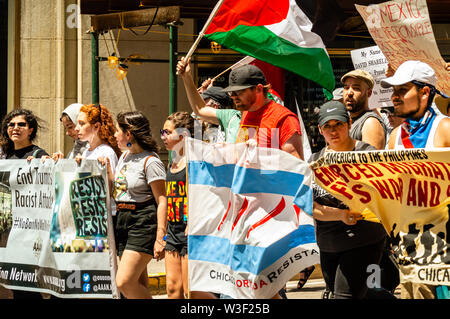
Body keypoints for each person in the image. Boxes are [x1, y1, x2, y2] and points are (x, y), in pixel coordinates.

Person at [382, 60, 450, 299]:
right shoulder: (395, 137)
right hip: (409, 243)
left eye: (402, 90)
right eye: (393, 91)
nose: (394, 97)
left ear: (424, 92)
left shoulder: (444, 129)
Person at [310, 100, 389, 299]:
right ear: (320, 130)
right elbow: (309, 206)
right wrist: (341, 214)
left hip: (364, 242)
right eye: (327, 126)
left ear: (349, 124)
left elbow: (383, 195)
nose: (333, 131)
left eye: (338, 124)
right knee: (368, 296)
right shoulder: (314, 162)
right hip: (328, 246)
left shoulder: (367, 155)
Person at [105, 111, 167, 299]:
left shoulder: (151, 161)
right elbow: (120, 188)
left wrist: (160, 236)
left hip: (143, 221)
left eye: (118, 130)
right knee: (139, 284)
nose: (115, 134)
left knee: (124, 281)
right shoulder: (124, 157)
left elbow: (162, 199)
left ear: (129, 134)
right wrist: (107, 169)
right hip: (123, 220)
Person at [0, 108, 48, 299]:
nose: (15, 128)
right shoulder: (5, 157)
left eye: (21, 124)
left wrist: (47, 163)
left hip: (29, 232)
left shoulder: (38, 154)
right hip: (9, 230)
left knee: (27, 282)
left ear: (31, 130)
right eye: (11, 125)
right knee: (13, 281)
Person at [223, 64, 304, 159]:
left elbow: (296, 167)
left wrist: (260, 157)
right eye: (230, 92)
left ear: (258, 89)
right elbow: (242, 155)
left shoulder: (284, 118)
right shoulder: (247, 112)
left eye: (238, 92)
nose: (233, 96)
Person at [177, 57, 241, 144]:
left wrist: (187, 77)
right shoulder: (200, 125)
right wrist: (186, 77)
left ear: (215, 106)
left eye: (204, 102)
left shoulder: (229, 124)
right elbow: (196, 111)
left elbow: (199, 110)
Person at [342, 69, 387, 150]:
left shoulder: (370, 123)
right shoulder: (348, 120)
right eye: (346, 88)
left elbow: (371, 161)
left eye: (356, 88)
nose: (349, 93)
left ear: (369, 93)